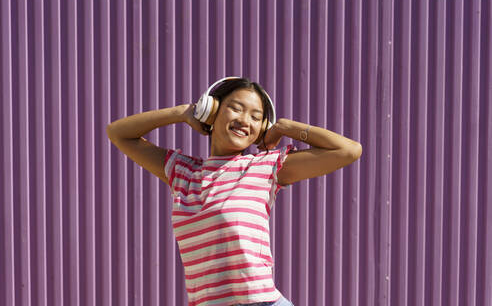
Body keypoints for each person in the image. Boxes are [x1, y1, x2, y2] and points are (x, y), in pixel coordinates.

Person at [106, 77, 362, 306]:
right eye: (235, 108)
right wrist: (182, 113)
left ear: (262, 128)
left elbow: (349, 151)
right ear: (212, 112)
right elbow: (118, 133)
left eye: (255, 116)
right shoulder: (183, 173)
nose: (244, 120)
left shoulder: (264, 167)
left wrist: (285, 127)